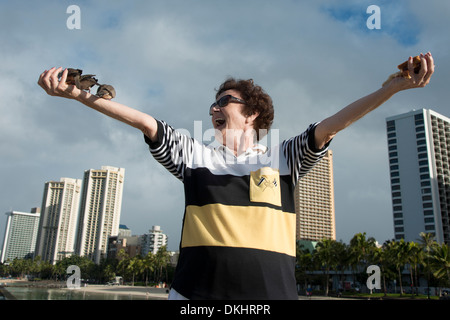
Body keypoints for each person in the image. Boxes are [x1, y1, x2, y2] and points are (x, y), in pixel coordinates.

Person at [38, 52, 434, 300]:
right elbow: (146, 122)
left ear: (253, 112)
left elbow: (333, 126)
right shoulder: (194, 155)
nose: (215, 107)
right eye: (213, 102)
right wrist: (78, 95)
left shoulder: (284, 157)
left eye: (225, 100)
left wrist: (394, 88)